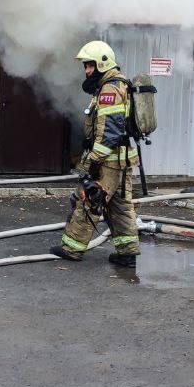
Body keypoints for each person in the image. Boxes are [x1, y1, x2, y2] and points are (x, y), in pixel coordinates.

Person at [50, 40, 141, 270]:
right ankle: (127, 253)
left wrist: (92, 161)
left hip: (108, 160)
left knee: (89, 198)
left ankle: (72, 248)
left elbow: (108, 132)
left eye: (90, 65)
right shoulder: (116, 85)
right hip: (121, 159)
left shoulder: (110, 89)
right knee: (120, 206)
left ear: (102, 63)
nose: (87, 70)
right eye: (85, 66)